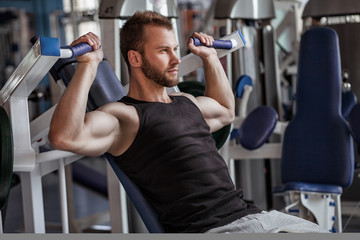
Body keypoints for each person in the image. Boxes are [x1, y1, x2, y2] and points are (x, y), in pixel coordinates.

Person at [49, 11, 328, 233]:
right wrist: (88, 66)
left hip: (260, 218)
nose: (175, 59)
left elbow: (225, 110)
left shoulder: (186, 101)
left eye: (174, 49)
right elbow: (65, 136)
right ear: (134, 58)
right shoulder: (126, 117)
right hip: (217, 229)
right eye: (163, 51)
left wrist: (209, 57)